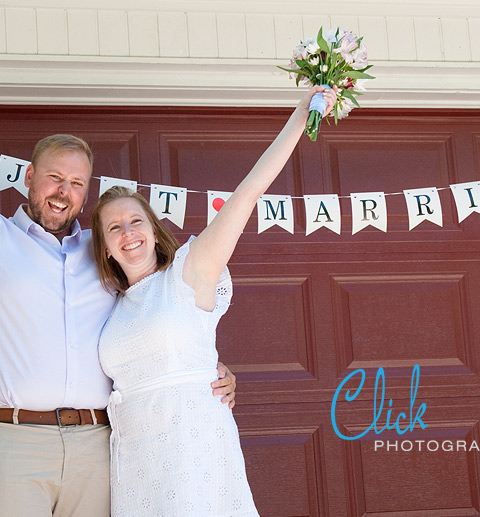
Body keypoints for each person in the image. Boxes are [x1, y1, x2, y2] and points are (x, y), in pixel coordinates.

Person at [0, 50, 236, 516]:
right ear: (28, 179)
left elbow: (168, 310)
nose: (64, 191)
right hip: (9, 444)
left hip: (98, 448)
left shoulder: (107, 254)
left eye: (77, 183)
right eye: (54, 178)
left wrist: (209, 369)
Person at [91, 86, 337, 516]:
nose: (128, 233)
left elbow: (247, 195)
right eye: (115, 228)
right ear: (106, 247)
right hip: (135, 457)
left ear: (153, 229)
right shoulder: (112, 305)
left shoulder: (189, 272)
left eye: (136, 221)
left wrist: (300, 116)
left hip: (193, 446)